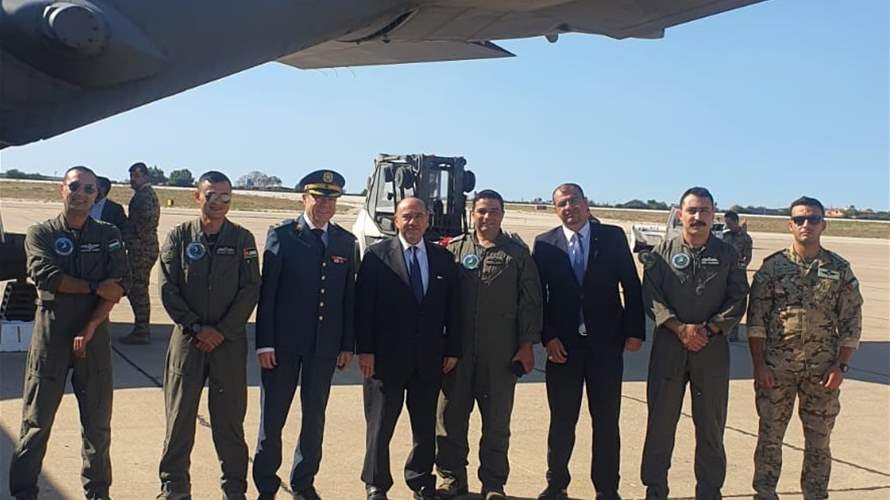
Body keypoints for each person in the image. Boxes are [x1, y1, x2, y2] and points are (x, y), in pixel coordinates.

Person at [9, 166, 130, 500]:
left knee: (97, 425)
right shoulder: (41, 233)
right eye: (74, 186)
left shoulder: (108, 235)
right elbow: (47, 276)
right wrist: (95, 286)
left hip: (93, 338)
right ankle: (23, 492)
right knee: (36, 422)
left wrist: (92, 324)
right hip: (52, 336)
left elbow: (119, 285)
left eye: (88, 189)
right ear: (61, 190)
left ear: (97, 196)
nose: (80, 193)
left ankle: (98, 493)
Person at [532, 183, 644, 500]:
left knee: (607, 421)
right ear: (556, 210)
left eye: (574, 201)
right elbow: (538, 297)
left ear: (586, 203)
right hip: (563, 349)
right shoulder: (545, 244)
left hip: (606, 347)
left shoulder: (612, 237)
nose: (569, 208)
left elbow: (631, 286)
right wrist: (548, 336)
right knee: (562, 421)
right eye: (562, 204)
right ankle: (556, 484)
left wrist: (634, 330)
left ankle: (607, 488)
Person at [747, 196, 863, 500]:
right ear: (790, 225)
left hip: (823, 373)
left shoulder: (838, 269)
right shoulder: (772, 268)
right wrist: (759, 365)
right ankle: (765, 493)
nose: (806, 225)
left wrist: (842, 366)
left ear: (823, 224)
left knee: (819, 443)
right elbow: (756, 321)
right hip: (776, 372)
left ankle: (815, 495)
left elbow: (851, 322)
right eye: (799, 219)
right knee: (770, 439)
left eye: (813, 219)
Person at [253, 170, 358, 500]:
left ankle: (303, 483)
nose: (326, 204)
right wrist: (264, 342)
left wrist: (346, 344)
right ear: (304, 198)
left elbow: (347, 300)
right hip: (282, 347)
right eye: (319, 197)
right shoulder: (283, 235)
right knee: (273, 420)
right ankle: (267, 486)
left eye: (331, 199)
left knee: (314, 419)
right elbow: (267, 295)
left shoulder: (344, 241)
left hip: (323, 349)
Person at [639, 186, 749, 500]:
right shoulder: (662, 252)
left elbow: (738, 296)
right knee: (660, 422)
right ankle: (655, 488)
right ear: (680, 213)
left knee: (711, 424)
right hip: (670, 348)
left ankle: (710, 490)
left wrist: (711, 328)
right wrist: (679, 328)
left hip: (711, 349)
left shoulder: (728, 254)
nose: (697, 217)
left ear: (713, 213)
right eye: (692, 211)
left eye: (704, 211)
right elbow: (652, 296)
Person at [156, 171, 261, 499]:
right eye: (212, 195)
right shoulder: (179, 237)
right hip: (188, 342)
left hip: (228, 344)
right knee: (179, 419)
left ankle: (234, 489)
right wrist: (197, 328)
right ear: (197, 196)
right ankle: (174, 489)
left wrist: (223, 330)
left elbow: (250, 289)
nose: (219, 202)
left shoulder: (242, 239)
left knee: (230, 421)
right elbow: (167, 287)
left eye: (226, 197)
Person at [435, 189, 542, 500]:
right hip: (458, 354)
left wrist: (526, 344)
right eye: (481, 210)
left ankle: (493, 484)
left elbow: (531, 302)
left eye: (493, 211)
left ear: (502, 215)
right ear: (472, 213)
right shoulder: (454, 250)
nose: (487, 216)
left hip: (501, 353)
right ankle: (452, 480)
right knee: (450, 420)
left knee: (496, 423)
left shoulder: (517, 255)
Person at [356, 197, 461, 500]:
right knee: (380, 426)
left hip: (428, 359)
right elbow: (364, 308)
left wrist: (452, 348)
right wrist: (365, 351)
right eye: (407, 216)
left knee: (424, 425)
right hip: (384, 360)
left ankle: (420, 480)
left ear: (428, 219)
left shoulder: (442, 259)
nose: (413, 222)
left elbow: (452, 309)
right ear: (396, 221)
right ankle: (376, 483)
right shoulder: (377, 256)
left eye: (419, 216)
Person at [120, 161, 161, 344]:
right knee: (137, 288)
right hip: (144, 246)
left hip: (141, 248)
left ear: (145, 176)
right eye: (131, 176)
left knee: (138, 289)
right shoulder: (145, 194)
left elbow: (144, 222)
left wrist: (129, 234)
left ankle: (142, 330)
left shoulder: (143, 196)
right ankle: (141, 328)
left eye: (136, 176)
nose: (132, 180)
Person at [722, 210, 753, 341]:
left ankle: (733, 333)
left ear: (735, 221)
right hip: (723, 273)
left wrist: (739, 268)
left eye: (729, 223)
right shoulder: (725, 236)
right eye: (726, 223)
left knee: (737, 302)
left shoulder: (745, 238)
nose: (727, 226)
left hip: (738, 274)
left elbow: (748, 257)